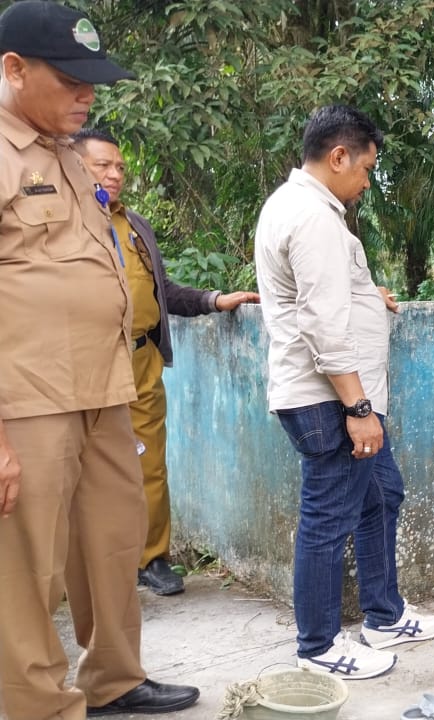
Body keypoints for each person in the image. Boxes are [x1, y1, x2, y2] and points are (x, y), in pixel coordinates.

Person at [0, 2, 200, 716]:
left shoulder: (66, 155)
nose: (87, 95)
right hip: (28, 400)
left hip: (106, 391)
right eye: (70, 79)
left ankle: (113, 679)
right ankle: (36, 705)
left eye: (93, 81)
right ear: (14, 69)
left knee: (112, 544)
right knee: (27, 570)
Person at [254, 104, 434, 680]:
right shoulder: (312, 217)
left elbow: (326, 293)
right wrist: (358, 408)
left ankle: (384, 616)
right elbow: (320, 321)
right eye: (366, 168)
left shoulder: (301, 208)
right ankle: (317, 647)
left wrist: (368, 295)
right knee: (327, 520)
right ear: (338, 157)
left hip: (337, 396)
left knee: (382, 495)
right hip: (331, 400)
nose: (367, 182)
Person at [70, 127, 259, 597]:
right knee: (80, 469)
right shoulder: (62, 224)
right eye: (103, 166)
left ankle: (151, 558)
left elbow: (162, 291)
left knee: (149, 465)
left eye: (119, 166)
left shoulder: (134, 225)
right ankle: (84, 569)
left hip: (140, 362)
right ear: (74, 166)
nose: (115, 174)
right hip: (82, 367)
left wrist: (214, 300)